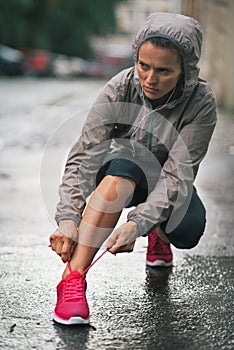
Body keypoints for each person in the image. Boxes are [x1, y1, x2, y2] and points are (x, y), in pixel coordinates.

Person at [49, 12, 217, 325]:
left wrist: (139, 224)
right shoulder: (121, 87)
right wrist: (69, 217)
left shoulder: (201, 102)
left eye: (164, 70)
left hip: (167, 178)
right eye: (144, 65)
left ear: (186, 71)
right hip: (123, 167)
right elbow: (86, 153)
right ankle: (71, 282)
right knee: (123, 169)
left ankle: (158, 234)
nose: (150, 79)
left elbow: (178, 173)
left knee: (188, 227)